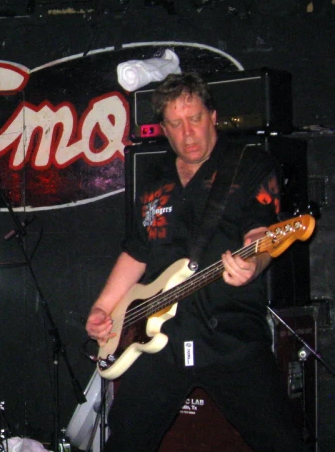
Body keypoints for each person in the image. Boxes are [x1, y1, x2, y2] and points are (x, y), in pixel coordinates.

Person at [86, 72, 308, 452]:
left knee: (278, 441)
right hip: (160, 339)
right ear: (164, 130)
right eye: (175, 124)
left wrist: (253, 265)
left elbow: (261, 234)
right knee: (124, 442)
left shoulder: (249, 165)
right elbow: (137, 251)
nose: (188, 133)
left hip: (229, 334)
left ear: (213, 116)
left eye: (195, 119)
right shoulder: (155, 182)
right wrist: (103, 307)